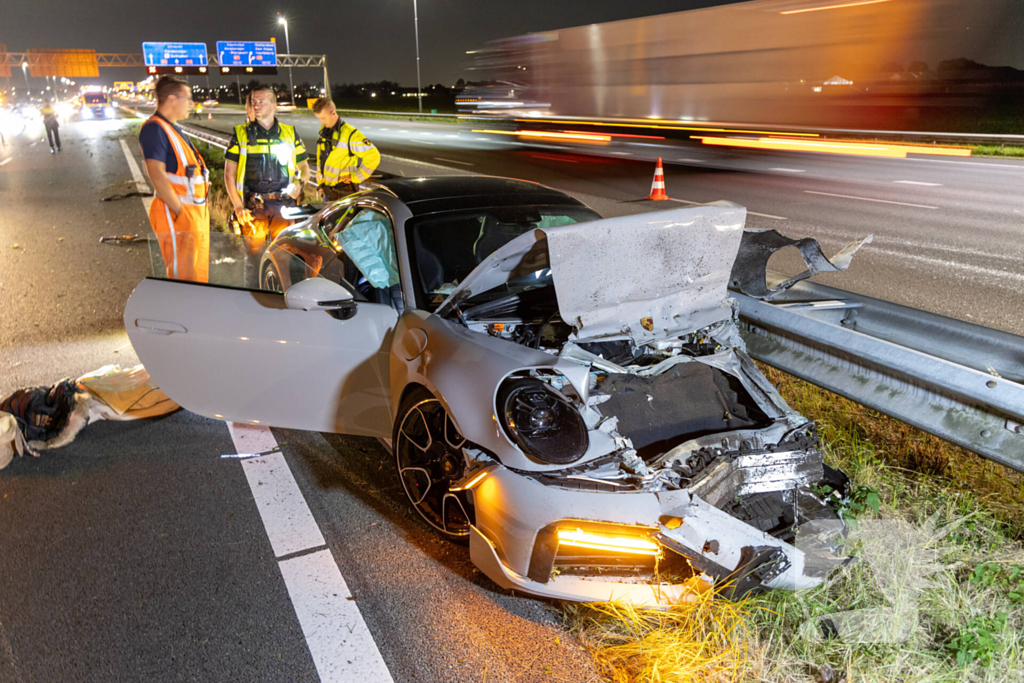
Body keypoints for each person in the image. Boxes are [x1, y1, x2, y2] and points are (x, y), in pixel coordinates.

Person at [224, 85, 310, 288]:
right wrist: (237, 206)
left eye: (261, 101)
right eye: (253, 102)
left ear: (274, 105)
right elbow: (228, 174)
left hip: (284, 207)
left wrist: (299, 184)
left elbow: (305, 168)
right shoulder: (241, 134)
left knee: (285, 256)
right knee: (254, 260)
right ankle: (254, 299)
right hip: (254, 208)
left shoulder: (290, 133)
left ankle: (283, 297)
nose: (256, 105)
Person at [137, 76, 211, 282]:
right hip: (176, 213)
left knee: (196, 272)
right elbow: (156, 172)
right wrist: (180, 211)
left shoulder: (172, 128)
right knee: (183, 276)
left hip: (193, 213)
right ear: (172, 99)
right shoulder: (155, 128)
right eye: (188, 98)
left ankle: (195, 304)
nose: (191, 104)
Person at [311, 98, 380, 201]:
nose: (321, 121)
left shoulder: (351, 134)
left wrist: (355, 177)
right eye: (319, 118)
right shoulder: (324, 131)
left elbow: (373, 156)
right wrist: (321, 182)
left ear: (333, 113)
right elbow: (320, 158)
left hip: (345, 191)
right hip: (328, 190)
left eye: (323, 118)